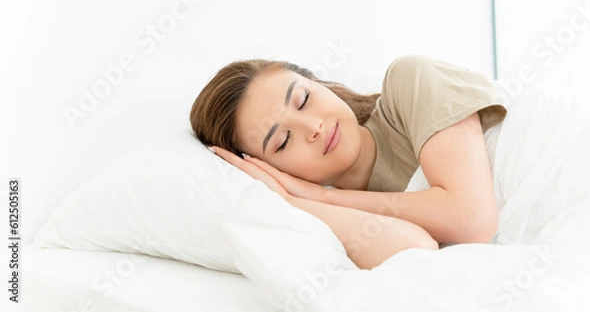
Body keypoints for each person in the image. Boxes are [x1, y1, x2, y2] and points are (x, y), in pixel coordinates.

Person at [189, 54, 508, 270]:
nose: (313, 127)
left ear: (320, 83)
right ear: (269, 170)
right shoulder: (330, 225)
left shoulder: (410, 81)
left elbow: (472, 220)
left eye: (303, 99)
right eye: (283, 141)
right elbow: (416, 253)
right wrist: (291, 201)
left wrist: (322, 195)